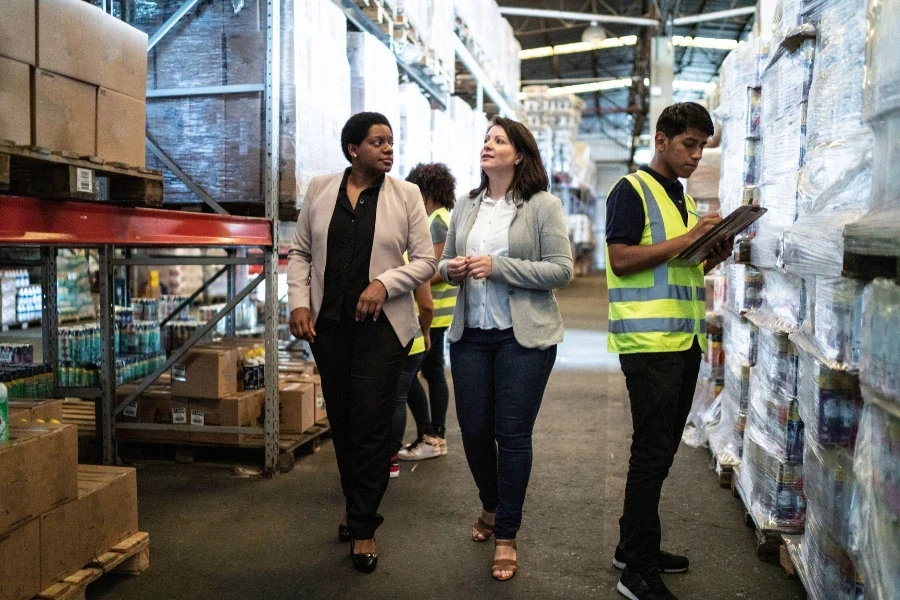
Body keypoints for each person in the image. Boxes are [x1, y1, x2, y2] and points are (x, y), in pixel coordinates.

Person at [286, 112, 436, 574]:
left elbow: (427, 261)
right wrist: (298, 303)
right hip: (329, 326)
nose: (389, 149)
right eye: (378, 142)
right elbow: (301, 252)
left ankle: (364, 526)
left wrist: (385, 283)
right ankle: (356, 508)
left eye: (391, 141)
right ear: (353, 149)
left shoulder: (406, 195)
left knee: (371, 425)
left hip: (381, 329)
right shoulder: (319, 189)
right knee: (346, 425)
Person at [604, 102, 733, 600]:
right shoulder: (631, 190)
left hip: (683, 340)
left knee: (659, 454)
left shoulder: (681, 199)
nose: (696, 155)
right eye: (689, 144)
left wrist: (708, 256)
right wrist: (687, 239)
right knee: (650, 453)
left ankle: (633, 546)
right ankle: (635, 571)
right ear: (661, 141)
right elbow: (621, 258)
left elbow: (678, 265)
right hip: (649, 343)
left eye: (702, 146)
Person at [439, 116, 573, 581]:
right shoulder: (466, 206)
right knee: (474, 432)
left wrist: (499, 266)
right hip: (471, 335)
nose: (488, 145)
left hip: (523, 337)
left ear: (519, 154)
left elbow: (561, 271)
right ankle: (492, 507)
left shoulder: (542, 205)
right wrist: (450, 269)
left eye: (499, 140)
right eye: (486, 139)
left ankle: (507, 536)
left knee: (511, 436)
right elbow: (444, 262)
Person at [397, 162, 458, 461]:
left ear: (424, 192)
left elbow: (431, 269)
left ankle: (432, 436)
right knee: (429, 372)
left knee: (419, 374)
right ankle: (432, 436)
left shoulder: (437, 221)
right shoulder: (440, 218)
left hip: (433, 312)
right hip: (434, 310)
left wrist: (405, 277)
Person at [389, 280, 433, 477]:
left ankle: (390, 461)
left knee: (396, 398)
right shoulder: (414, 257)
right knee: (410, 385)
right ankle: (427, 432)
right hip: (413, 340)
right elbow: (426, 306)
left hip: (392, 342)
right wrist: (425, 332)